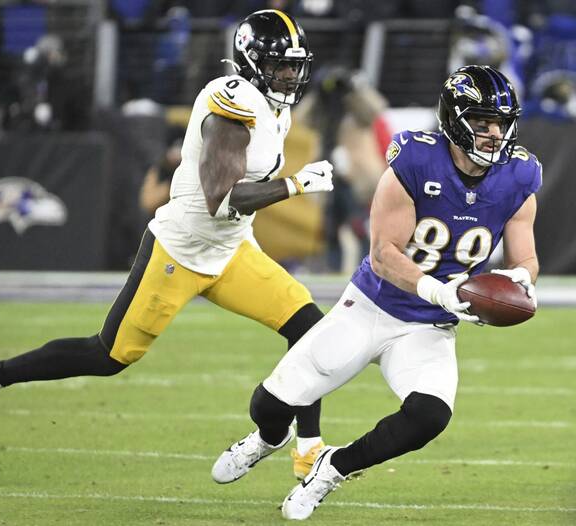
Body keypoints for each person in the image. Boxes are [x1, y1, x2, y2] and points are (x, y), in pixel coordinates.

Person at [0, 9, 334, 479]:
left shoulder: (277, 107)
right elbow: (222, 199)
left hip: (231, 250)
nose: (290, 75)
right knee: (108, 355)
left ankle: (307, 449)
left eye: (295, 65)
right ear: (251, 62)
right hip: (180, 251)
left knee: (312, 329)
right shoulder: (231, 103)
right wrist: (296, 186)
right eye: (280, 65)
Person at [212, 65, 541, 520]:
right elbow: (385, 254)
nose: (494, 134)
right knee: (268, 406)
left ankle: (333, 468)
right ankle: (269, 438)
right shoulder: (416, 160)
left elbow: (525, 259)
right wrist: (436, 290)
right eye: (482, 122)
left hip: (429, 328)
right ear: (454, 119)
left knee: (430, 416)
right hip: (371, 307)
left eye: (501, 123)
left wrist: (521, 281)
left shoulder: (520, 176)